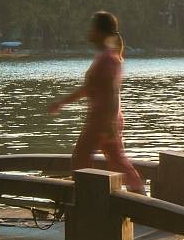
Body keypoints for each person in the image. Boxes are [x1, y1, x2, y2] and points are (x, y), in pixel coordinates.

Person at [50, 10, 146, 193]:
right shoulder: (105, 57)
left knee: (80, 159)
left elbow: (113, 92)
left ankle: (85, 198)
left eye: (92, 28)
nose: (89, 32)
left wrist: (109, 123)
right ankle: (142, 198)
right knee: (117, 162)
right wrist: (62, 102)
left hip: (102, 120)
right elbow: (88, 89)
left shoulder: (108, 59)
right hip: (104, 119)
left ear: (100, 32)